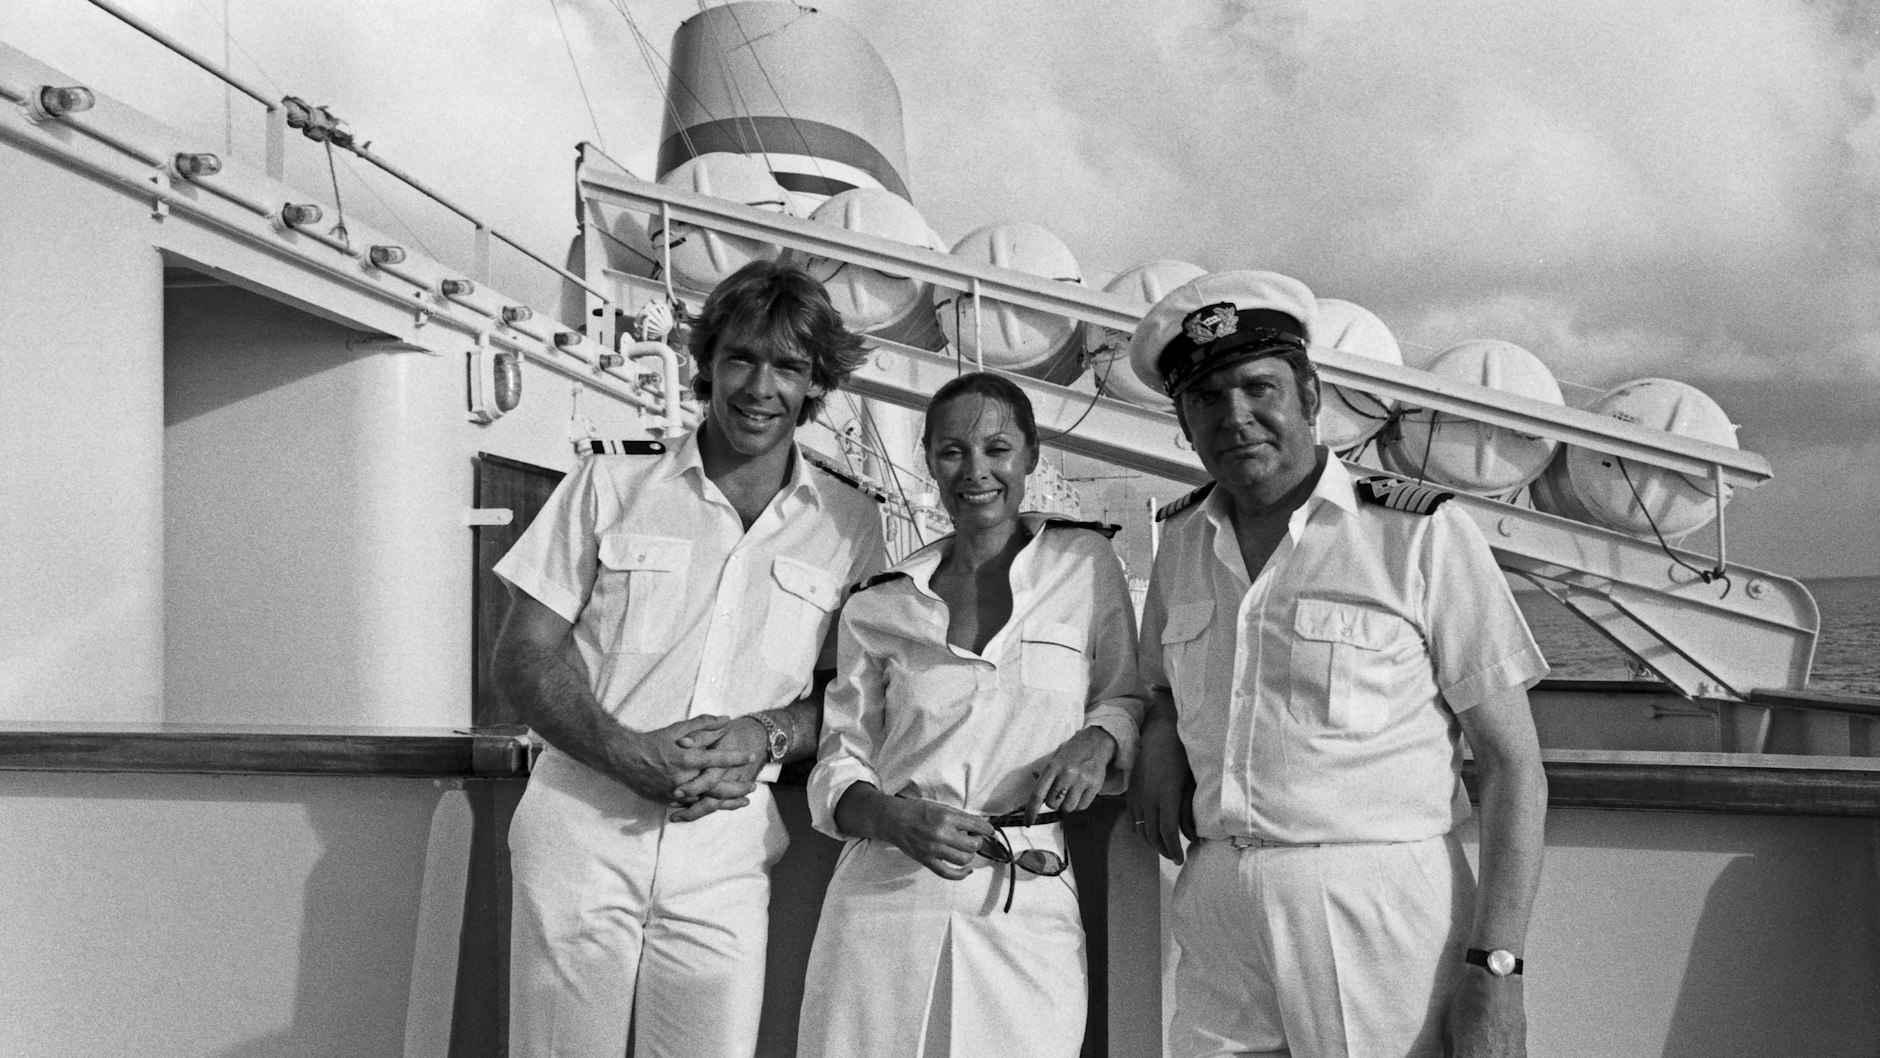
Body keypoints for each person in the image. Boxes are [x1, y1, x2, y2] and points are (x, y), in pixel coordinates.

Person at [1124, 271, 1550, 1058]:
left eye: (1259, 388)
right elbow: (1161, 685)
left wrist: (1498, 969)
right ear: (1183, 423)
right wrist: (1157, 731)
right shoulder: (1181, 544)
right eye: (1207, 398)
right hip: (1218, 909)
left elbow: (1512, 764)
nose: (1235, 417)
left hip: (1374, 914)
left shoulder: (1416, 535)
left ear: (1311, 395)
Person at [491, 259, 888, 1058]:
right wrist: (621, 750)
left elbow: (854, 696)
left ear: (816, 383)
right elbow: (521, 655)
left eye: (788, 367)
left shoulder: (850, 524)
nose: (759, 388)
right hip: (581, 831)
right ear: (706, 362)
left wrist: (766, 734)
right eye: (741, 358)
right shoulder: (609, 484)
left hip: (727, 851)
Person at [798, 372, 1145, 1058]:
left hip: (1027, 896)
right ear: (929, 461)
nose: (975, 470)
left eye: (997, 448)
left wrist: (1100, 737)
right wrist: (895, 819)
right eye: (952, 451)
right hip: (886, 892)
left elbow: (1125, 694)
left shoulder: (1086, 565)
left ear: (1031, 455)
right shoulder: (881, 602)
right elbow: (839, 761)